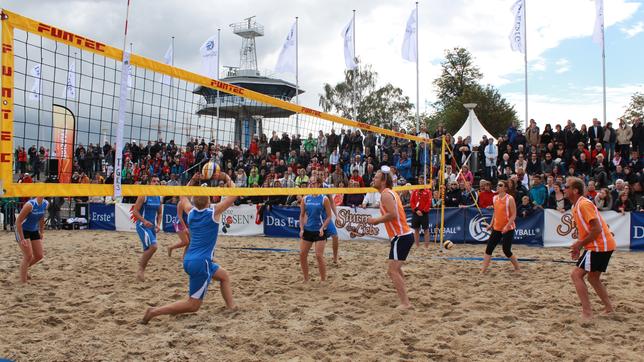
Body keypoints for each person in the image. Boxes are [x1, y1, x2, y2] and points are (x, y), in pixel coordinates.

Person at [142, 174, 238, 324]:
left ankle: (232, 308)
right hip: (201, 263)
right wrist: (226, 176)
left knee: (224, 276)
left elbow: (182, 195)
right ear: (209, 200)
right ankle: (154, 311)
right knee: (193, 305)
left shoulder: (191, 213)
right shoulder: (213, 213)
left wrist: (192, 181)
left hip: (189, 260)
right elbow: (235, 193)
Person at [565, 177, 616, 320]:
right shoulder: (576, 205)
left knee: (576, 275)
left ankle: (587, 313)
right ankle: (609, 308)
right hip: (601, 245)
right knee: (593, 278)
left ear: (575, 190)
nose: (564, 189)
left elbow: (597, 229)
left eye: (567, 186)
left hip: (599, 246)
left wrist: (579, 245)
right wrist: (578, 246)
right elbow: (589, 230)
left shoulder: (583, 204)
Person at [367, 166, 415, 309]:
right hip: (402, 236)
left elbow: (392, 215)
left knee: (392, 270)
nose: (373, 179)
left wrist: (376, 221)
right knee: (397, 269)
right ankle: (404, 296)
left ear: (382, 181)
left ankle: (405, 303)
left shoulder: (386, 195)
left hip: (401, 236)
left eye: (376, 177)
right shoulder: (390, 193)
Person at [481, 180, 520, 273]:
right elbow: (495, 212)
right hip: (497, 228)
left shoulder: (509, 199)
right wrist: (491, 224)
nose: (498, 186)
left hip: (508, 228)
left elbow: (514, 215)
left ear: (505, 188)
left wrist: (507, 226)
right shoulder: (495, 198)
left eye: (500, 185)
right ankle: (483, 270)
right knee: (489, 248)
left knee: (506, 250)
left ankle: (517, 268)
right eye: (497, 185)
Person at [299, 176, 333, 282]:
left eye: (314, 183)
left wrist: (323, 228)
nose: (312, 185)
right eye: (311, 183)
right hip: (308, 230)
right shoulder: (305, 198)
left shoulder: (324, 198)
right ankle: (306, 279)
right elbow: (302, 215)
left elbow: (329, 216)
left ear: (319, 184)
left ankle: (323, 280)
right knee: (302, 254)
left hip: (319, 231)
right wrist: (301, 228)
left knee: (319, 256)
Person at [132, 176, 163, 282]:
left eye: (158, 181)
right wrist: (144, 221)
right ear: (149, 183)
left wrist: (158, 225)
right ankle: (140, 270)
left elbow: (159, 213)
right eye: (154, 181)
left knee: (148, 249)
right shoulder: (144, 194)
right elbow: (135, 211)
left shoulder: (158, 196)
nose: (156, 183)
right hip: (142, 225)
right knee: (153, 247)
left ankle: (141, 273)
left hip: (152, 227)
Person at [15, 197, 49, 283]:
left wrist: (41, 231)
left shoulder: (45, 203)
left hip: (33, 229)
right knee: (28, 255)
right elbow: (18, 222)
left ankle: (23, 269)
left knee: (39, 255)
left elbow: (41, 218)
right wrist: (22, 238)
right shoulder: (30, 205)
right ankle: (23, 282)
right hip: (22, 229)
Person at [410, 175, 432, 248]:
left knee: (426, 230)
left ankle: (426, 246)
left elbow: (429, 203)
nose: (420, 181)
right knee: (416, 230)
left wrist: (422, 211)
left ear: (424, 181)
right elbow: (412, 202)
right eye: (419, 180)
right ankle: (417, 245)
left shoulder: (428, 191)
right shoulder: (415, 191)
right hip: (416, 213)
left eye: (422, 180)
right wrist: (416, 210)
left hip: (424, 213)